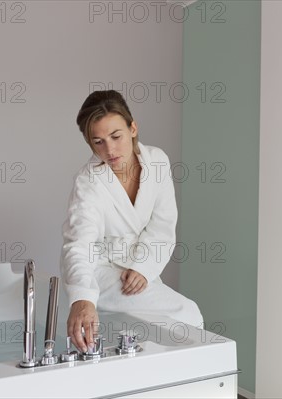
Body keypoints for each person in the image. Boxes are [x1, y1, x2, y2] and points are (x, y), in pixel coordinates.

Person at [60, 90, 203, 353]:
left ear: (133, 127)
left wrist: (143, 268)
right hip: (100, 272)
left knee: (175, 323)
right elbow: (80, 243)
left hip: (141, 269)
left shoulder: (157, 161)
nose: (110, 150)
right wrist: (82, 297)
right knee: (187, 314)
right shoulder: (88, 181)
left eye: (116, 136)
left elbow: (163, 226)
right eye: (98, 142)